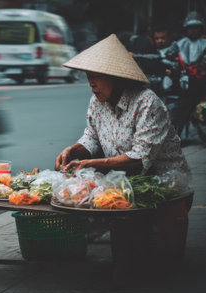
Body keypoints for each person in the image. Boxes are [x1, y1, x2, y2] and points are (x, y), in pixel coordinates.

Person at [54, 34, 191, 277]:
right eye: (88, 78)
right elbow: (92, 138)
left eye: (95, 77)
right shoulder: (97, 102)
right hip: (124, 182)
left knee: (160, 262)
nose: (91, 84)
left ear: (115, 78)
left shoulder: (147, 103)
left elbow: (139, 158)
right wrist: (73, 151)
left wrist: (90, 163)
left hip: (163, 184)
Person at [165, 11, 206, 136]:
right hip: (182, 80)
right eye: (190, 28)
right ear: (186, 29)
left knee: (204, 105)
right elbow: (168, 55)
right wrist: (172, 58)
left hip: (200, 82)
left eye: (196, 28)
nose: (193, 31)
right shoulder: (179, 43)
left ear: (200, 29)